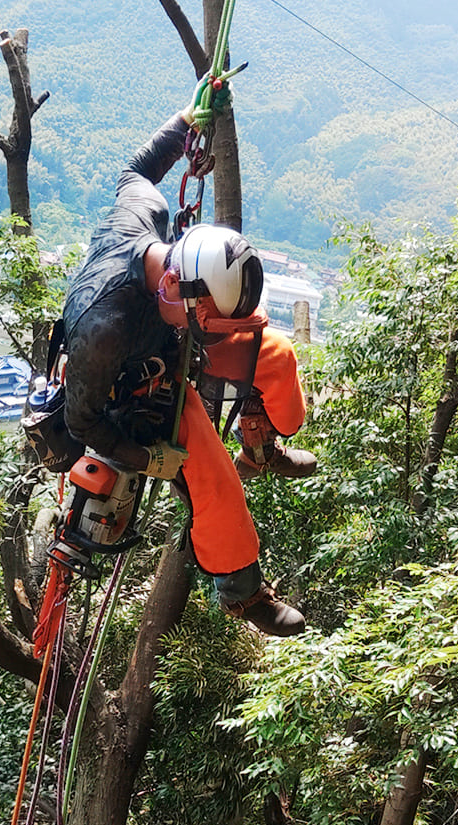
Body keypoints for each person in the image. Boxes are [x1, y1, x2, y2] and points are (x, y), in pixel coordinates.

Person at [61, 93, 315, 637]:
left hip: (170, 341)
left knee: (272, 350)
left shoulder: (145, 216)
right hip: (134, 395)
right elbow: (83, 422)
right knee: (216, 480)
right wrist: (150, 459)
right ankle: (244, 593)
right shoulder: (103, 329)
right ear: (179, 287)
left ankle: (262, 445)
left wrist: (183, 123)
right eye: (211, 318)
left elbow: (136, 169)